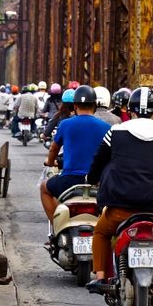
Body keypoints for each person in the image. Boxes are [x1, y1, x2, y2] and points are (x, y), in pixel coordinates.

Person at [85, 86, 153, 293]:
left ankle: (101, 277)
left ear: (130, 111)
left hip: (120, 208)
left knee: (101, 232)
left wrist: (92, 179)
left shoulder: (116, 132)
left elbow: (98, 161)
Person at [40, 85, 109, 224]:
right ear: (94, 105)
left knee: (44, 188)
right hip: (97, 181)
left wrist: (50, 161)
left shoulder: (65, 124)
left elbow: (54, 149)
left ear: (75, 105)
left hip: (69, 180)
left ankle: (57, 227)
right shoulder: (106, 127)